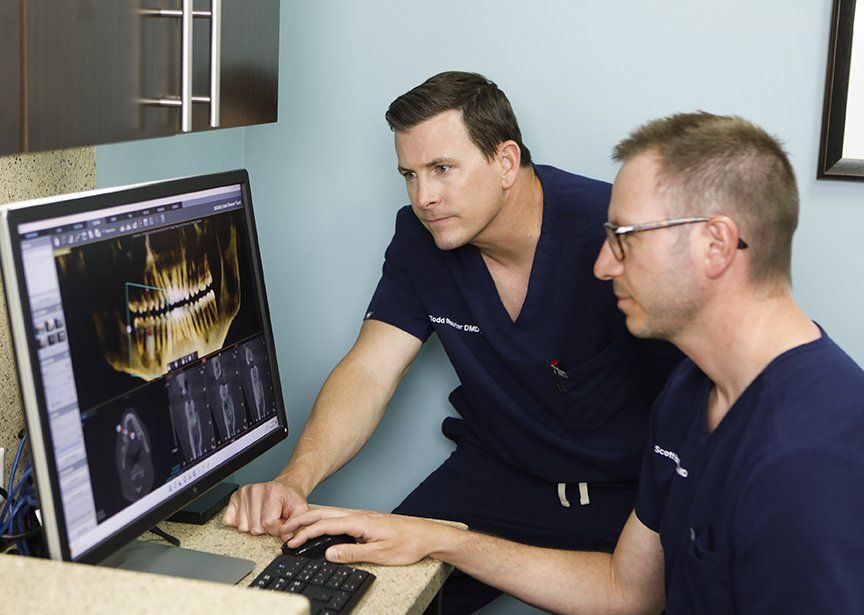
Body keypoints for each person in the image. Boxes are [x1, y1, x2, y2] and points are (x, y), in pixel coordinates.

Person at [280, 112, 864, 613]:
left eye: (626, 237)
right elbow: (626, 593)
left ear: (716, 244)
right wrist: (438, 538)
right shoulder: (693, 393)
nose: (604, 265)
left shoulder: (808, 457)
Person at [223, 72, 677, 613]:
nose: (424, 198)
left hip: (627, 494)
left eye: (442, 169)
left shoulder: (610, 234)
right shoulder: (422, 239)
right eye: (409, 175)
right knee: (365, 592)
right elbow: (370, 370)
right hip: (498, 475)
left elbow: (700, 397)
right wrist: (296, 480)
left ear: (506, 161)